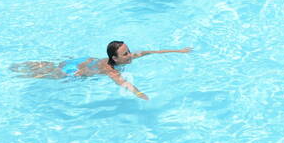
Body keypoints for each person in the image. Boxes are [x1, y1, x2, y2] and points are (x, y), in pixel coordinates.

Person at [11, 41, 192, 100]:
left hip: (84, 61)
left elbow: (149, 52)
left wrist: (179, 51)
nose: (130, 56)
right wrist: (140, 94)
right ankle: (16, 72)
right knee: (48, 73)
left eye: (128, 52)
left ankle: (21, 66)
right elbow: (124, 83)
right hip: (75, 71)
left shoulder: (123, 58)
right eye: (125, 54)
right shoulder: (110, 70)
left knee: (51, 65)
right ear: (115, 59)